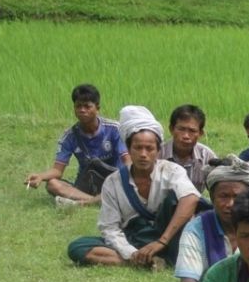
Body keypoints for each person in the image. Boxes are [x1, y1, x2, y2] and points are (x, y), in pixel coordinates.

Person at [66, 106, 200, 268]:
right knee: (78, 247)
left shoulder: (172, 171)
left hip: (168, 238)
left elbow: (191, 198)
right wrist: (131, 252)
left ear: (158, 151)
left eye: (149, 148)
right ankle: (144, 261)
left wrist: (161, 242)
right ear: (128, 150)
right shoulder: (113, 182)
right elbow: (110, 228)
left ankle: (158, 256)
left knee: (180, 206)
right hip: (134, 240)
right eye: (138, 148)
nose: (143, 154)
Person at [152, 155, 249, 282]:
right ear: (212, 197)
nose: (230, 204)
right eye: (223, 196)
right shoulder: (198, 227)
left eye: (238, 197)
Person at [26, 84, 130, 206]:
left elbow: (127, 162)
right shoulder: (69, 136)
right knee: (52, 184)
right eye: (78, 106)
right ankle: (95, 201)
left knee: (130, 179)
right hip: (86, 185)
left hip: (114, 181)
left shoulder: (115, 129)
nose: (82, 110)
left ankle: (84, 203)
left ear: (97, 108)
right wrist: (40, 176)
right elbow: (57, 171)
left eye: (87, 106)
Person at [159, 104, 217, 192]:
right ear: (171, 129)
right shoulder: (158, 154)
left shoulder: (207, 156)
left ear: (200, 133)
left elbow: (218, 187)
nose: (186, 136)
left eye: (192, 131)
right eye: (181, 129)